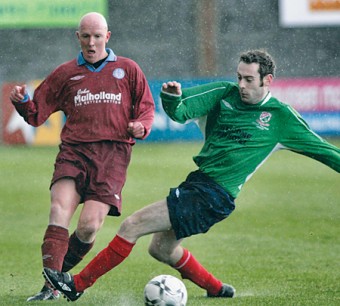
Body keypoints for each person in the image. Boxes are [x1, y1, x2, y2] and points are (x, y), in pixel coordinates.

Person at [43, 49, 340, 302]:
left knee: (131, 226)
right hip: (199, 185)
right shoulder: (223, 94)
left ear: (268, 80)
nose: (241, 84)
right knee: (161, 248)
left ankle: (77, 286)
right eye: (239, 77)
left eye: (249, 79)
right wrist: (171, 98)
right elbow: (181, 111)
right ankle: (216, 289)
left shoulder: (281, 117)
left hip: (214, 194)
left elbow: (325, 151)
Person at [9, 12, 154, 302]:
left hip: (112, 156)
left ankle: (58, 279)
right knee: (58, 209)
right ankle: (50, 287)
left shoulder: (128, 69)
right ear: (78, 37)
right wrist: (23, 102)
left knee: (88, 228)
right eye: (86, 36)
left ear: (107, 37)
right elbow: (37, 114)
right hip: (74, 152)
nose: (91, 42)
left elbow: (146, 108)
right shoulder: (65, 74)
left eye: (97, 36)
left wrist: (142, 127)